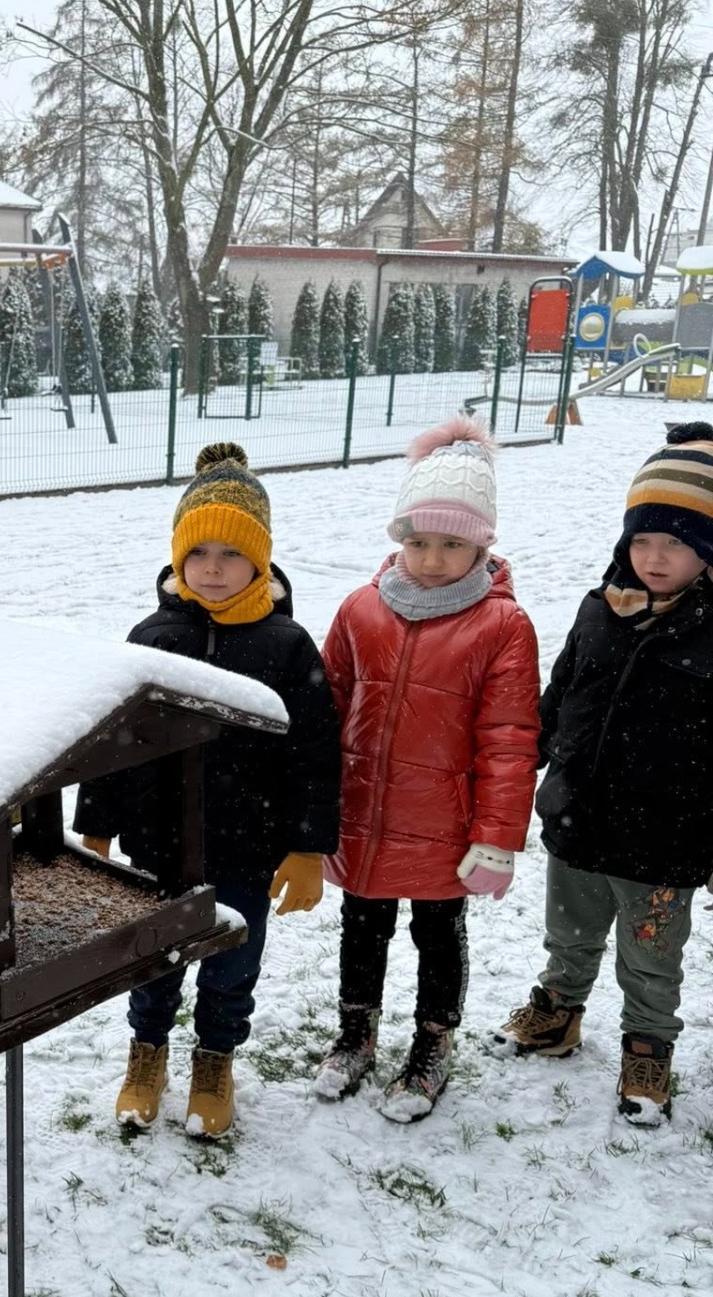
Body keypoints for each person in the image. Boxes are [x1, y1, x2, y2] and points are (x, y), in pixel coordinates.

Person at [73, 443, 341, 1138]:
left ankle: (215, 1059)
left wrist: (309, 849)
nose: (213, 569)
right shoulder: (151, 636)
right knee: (153, 957)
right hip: (158, 840)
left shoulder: (286, 646)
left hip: (249, 847)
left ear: (261, 560)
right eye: (199, 554)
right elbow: (114, 734)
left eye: (231, 553)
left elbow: (314, 754)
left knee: (230, 960)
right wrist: (97, 821)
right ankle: (147, 1053)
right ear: (177, 558)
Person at [316, 416, 540, 1120]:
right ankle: (356, 1032)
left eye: (452, 543)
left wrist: (496, 839)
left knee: (438, 935)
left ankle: (432, 1045)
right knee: (362, 929)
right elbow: (325, 711)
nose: (433, 558)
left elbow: (508, 738)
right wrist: (313, 811)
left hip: (446, 828)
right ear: (399, 539)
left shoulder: (503, 626)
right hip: (365, 818)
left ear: (482, 544)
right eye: (419, 541)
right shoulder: (360, 610)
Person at [495, 422, 713, 1123]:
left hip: (665, 839)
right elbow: (561, 699)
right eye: (643, 540)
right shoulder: (600, 610)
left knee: (651, 958)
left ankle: (648, 1047)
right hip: (579, 819)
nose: (654, 557)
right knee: (570, 932)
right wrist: (522, 762)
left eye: (675, 544)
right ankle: (557, 1012)